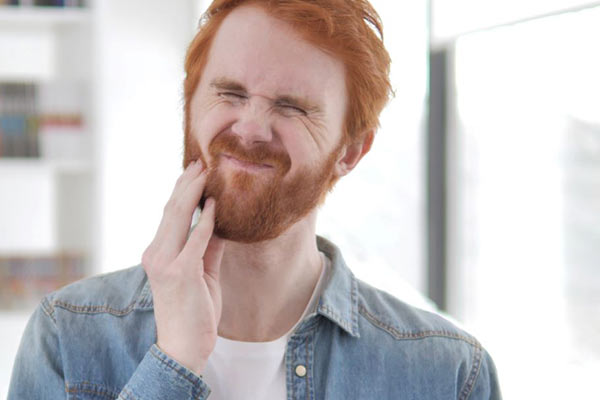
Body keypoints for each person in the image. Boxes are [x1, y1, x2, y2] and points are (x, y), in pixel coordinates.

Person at [9, 0, 502, 399]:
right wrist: (173, 363)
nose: (250, 128)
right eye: (230, 93)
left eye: (292, 107)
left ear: (350, 151)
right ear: (190, 107)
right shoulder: (67, 337)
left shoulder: (449, 374)